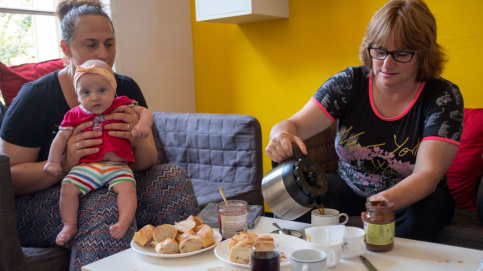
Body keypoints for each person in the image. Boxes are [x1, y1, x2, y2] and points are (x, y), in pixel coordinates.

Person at [0, 0, 198, 269]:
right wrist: (66, 163)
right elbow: (9, 178)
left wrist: (135, 138)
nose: (104, 54)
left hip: (113, 180)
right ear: (66, 48)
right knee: (105, 202)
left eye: (109, 43)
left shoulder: (126, 87)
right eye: (91, 44)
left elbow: (147, 162)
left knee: (171, 178)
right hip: (43, 202)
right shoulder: (36, 96)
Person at [265, 0, 463, 242]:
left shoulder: (442, 96)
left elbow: (428, 174)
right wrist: (280, 135)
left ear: (424, 53)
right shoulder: (349, 82)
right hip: (349, 187)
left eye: (401, 53)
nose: (387, 64)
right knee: (294, 192)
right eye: (379, 51)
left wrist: (378, 203)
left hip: (412, 197)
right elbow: (292, 125)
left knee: (424, 214)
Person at [44, 59, 153, 245]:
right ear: (77, 95)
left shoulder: (121, 104)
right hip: (87, 166)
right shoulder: (74, 114)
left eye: (102, 90)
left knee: (127, 189)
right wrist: (53, 161)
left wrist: (143, 124)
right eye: (86, 92)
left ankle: (124, 221)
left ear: (113, 89)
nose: (94, 97)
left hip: (117, 166)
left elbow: (145, 112)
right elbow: (60, 138)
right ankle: (69, 224)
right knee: (67, 188)